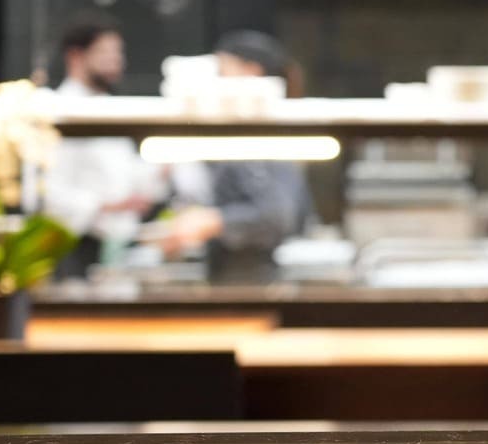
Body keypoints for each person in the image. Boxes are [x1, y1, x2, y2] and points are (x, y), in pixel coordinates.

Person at [159, 30, 313, 283]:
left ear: (251, 72)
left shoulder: (266, 136)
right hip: (227, 276)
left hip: (256, 280)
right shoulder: (232, 136)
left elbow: (277, 215)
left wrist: (213, 221)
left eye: (221, 69)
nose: (215, 79)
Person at [42, 14, 166, 276]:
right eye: (105, 52)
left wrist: (161, 171)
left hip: (118, 249)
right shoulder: (58, 111)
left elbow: (127, 176)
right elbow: (48, 193)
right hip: (74, 250)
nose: (116, 60)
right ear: (76, 56)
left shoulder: (111, 108)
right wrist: (107, 205)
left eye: (118, 52)